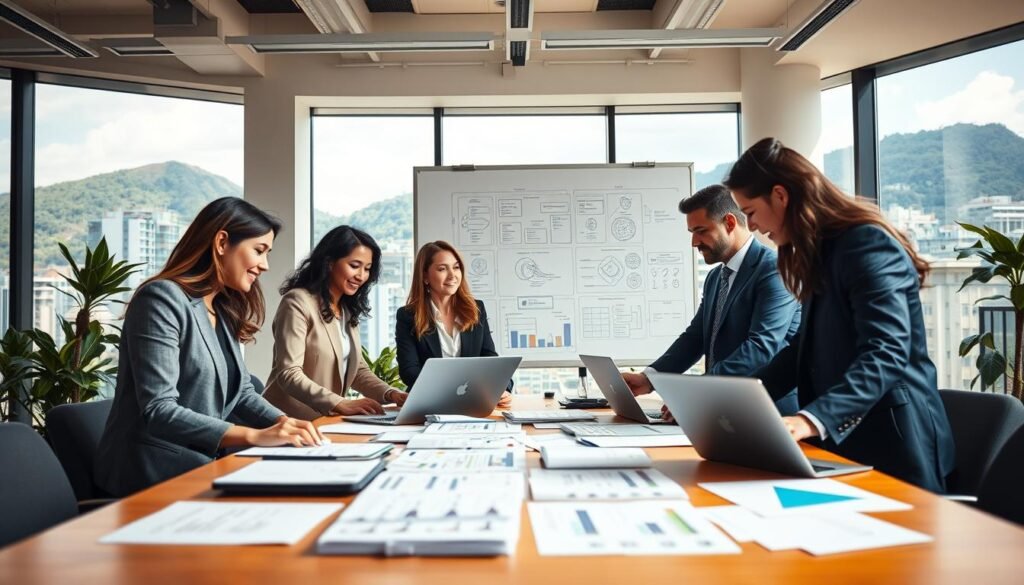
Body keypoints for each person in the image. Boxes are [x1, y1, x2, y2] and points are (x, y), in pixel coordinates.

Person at [724, 137, 955, 493]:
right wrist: (736, 404)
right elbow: (804, 347)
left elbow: (886, 353)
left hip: (895, 442)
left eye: (751, 211)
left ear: (780, 195)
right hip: (846, 442)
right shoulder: (822, 249)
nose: (750, 226)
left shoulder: (866, 243)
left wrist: (810, 419)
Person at [95, 197, 326, 498]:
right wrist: (256, 436)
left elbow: (242, 393)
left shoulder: (220, 308)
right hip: (150, 476)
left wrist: (284, 423)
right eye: (259, 251)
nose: (265, 265)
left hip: (201, 467)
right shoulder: (161, 299)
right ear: (221, 242)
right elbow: (159, 409)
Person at [622, 184, 801, 417]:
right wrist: (648, 378)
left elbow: (761, 346)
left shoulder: (774, 271)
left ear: (729, 223)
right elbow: (695, 338)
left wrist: (698, 392)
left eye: (701, 230)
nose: (694, 242)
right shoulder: (717, 277)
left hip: (768, 412)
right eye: (691, 233)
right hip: (720, 409)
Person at [263, 226, 409, 420]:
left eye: (367, 269)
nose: (361, 276)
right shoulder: (297, 302)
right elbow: (289, 373)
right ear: (330, 263)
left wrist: (391, 394)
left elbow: (357, 371)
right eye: (355, 265)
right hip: (287, 420)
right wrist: (340, 402)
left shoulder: (347, 309)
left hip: (326, 421)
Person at [395, 240, 513, 407]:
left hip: (473, 401)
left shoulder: (475, 309)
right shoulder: (408, 316)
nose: (452, 276)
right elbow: (409, 372)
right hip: (427, 403)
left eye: (456, 267)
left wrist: (503, 388)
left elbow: (489, 358)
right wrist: (452, 391)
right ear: (425, 276)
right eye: (442, 269)